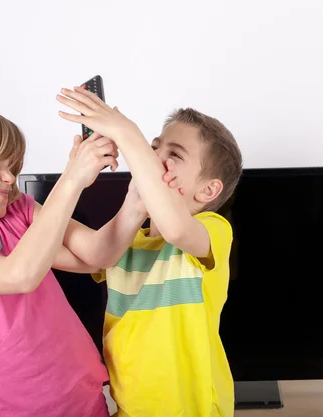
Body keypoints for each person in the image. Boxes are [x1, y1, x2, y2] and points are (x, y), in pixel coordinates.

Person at [0, 107, 179, 417]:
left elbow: (98, 256)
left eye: (12, 166)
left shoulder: (18, 212)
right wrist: (71, 179)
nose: (9, 178)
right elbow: (19, 274)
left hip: (87, 402)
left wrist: (137, 200)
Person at [56, 87, 244, 416]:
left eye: (174, 154)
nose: (152, 157)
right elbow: (45, 250)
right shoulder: (123, 243)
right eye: (153, 148)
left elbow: (175, 227)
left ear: (208, 189)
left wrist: (127, 133)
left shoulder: (213, 229)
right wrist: (72, 178)